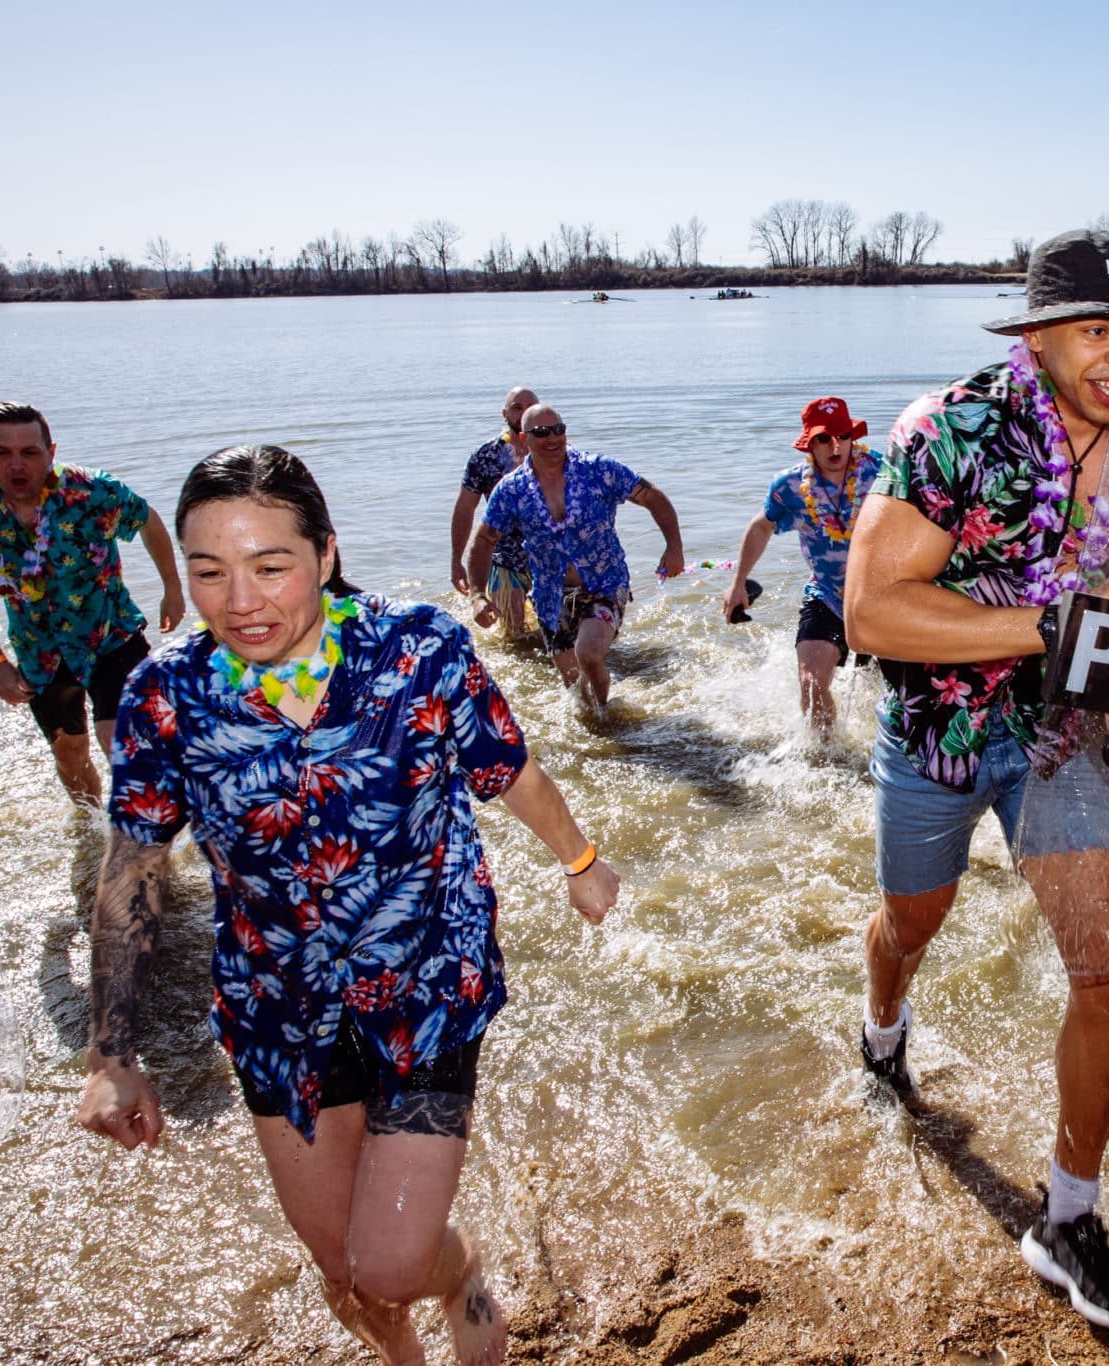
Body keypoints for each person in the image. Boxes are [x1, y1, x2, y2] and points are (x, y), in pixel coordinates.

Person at [77, 446, 620, 1366]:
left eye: (269, 565)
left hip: (426, 980)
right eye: (208, 571)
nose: (239, 600)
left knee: (394, 1259)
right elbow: (130, 872)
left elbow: (508, 769)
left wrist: (581, 858)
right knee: (342, 1269)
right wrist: (111, 1054)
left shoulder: (417, 647)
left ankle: (461, 1275)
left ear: (325, 556)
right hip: (278, 1004)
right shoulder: (164, 695)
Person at [844, 229, 1109, 1332]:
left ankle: (1069, 1218)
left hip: (1062, 739)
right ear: (1040, 333)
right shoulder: (946, 429)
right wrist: (1045, 625)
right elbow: (869, 610)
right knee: (916, 919)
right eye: (1097, 329)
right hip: (939, 730)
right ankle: (881, 1024)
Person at [0, 401, 184, 807]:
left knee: (119, 740)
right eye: (3, 453)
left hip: (110, 636)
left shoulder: (92, 491)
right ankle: (91, 833)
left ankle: (148, 839)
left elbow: (148, 520)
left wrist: (171, 587)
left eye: (29, 453)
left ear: (50, 453)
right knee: (69, 754)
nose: (17, 465)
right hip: (40, 651)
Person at [467, 403, 685, 706]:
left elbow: (651, 496)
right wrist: (478, 594)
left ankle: (606, 718)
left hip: (604, 584)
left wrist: (673, 547)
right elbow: (483, 540)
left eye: (559, 429)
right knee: (574, 686)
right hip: (550, 594)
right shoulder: (511, 490)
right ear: (523, 438)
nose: (554, 438)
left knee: (589, 654)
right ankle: (594, 721)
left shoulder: (597, 470)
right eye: (542, 432)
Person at [724, 397, 880, 733]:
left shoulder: (882, 473)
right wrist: (739, 583)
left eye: (842, 435)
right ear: (810, 443)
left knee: (890, 694)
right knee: (811, 683)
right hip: (827, 595)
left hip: (882, 597)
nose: (835, 446)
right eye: (824, 439)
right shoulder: (790, 487)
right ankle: (826, 762)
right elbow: (761, 526)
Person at [449, 386, 536, 635]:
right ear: (504, 414)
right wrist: (456, 561)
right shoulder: (485, 457)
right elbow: (465, 509)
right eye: (517, 408)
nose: (523, 413)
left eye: (530, 408)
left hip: (550, 556)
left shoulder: (556, 451)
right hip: (504, 557)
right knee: (515, 637)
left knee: (559, 634)